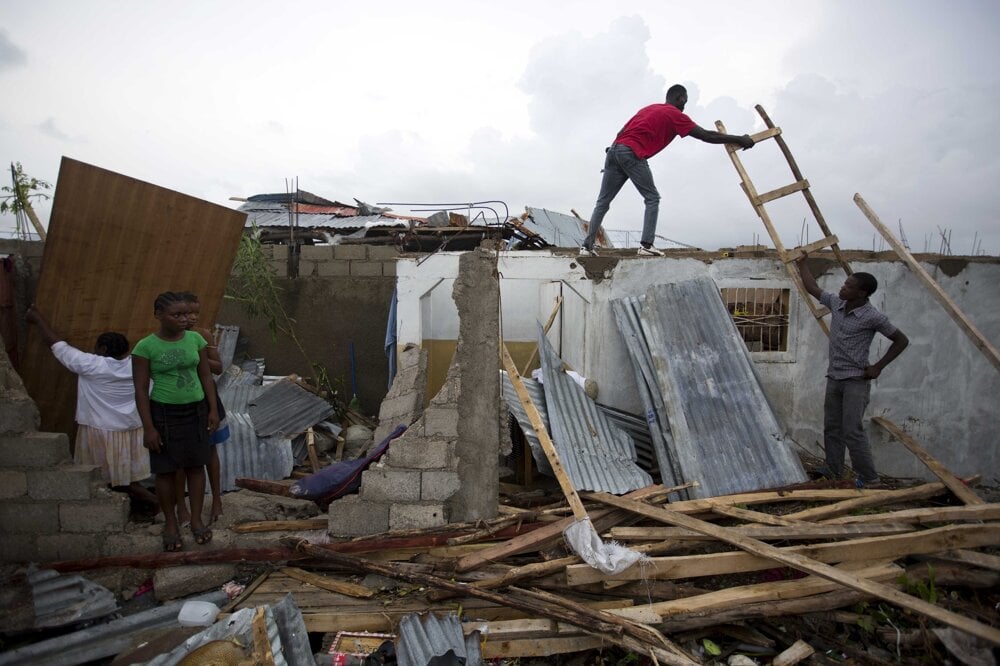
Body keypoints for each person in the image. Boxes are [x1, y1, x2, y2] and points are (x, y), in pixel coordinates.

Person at [580, 84, 755, 257]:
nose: (685, 106)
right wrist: (740, 139)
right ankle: (646, 245)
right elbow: (707, 135)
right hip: (632, 153)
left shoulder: (649, 108)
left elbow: (622, 131)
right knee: (652, 197)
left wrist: (615, 151)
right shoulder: (675, 115)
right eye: (685, 101)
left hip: (614, 150)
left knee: (603, 202)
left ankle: (586, 248)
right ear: (679, 98)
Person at [25, 305, 157, 507]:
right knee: (127, 477)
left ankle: (155, 503)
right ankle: (141, 503)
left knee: (107, 480)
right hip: (132, 430)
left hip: (100, 431)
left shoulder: (92, 365)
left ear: (102, 349)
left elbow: (57, 345)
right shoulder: (139, 366)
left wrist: (36, 318)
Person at [796, 255, 909, 487]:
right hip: (834, 377)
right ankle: (834, 469)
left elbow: (901, 340)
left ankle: (869, 478)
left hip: (856, 380)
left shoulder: (873, 317)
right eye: (844, 283)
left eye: (849, 286)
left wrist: (878, 366)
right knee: (832, 427)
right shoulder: (837, 303)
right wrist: (802, 264)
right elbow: (812, 287)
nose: (843, 287)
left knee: (852, 430)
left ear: (862, 294)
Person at [132, 291, 219, 552]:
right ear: (159, 315)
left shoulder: (195, 340)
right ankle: (170, 523)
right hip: (164, 413)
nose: (184, 319)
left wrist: (212, 410)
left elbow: (205, 377)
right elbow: (140, 389)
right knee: (166, 471)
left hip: (196, 411)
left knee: (195, 466)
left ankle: (195, 519)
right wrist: (148, 427)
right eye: (176, 315)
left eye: (186, 314)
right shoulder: (145, 347)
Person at [172, 292, 229, 527]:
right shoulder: (166, 339)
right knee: (179, 460)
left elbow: (218, 368)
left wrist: (198, 356)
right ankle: (182, 508)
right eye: (186, 313)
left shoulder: (202, 335)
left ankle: (216, 500)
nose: (191, 318)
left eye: (195, 313)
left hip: (206, 400)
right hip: (178, 402)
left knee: (210, 453)